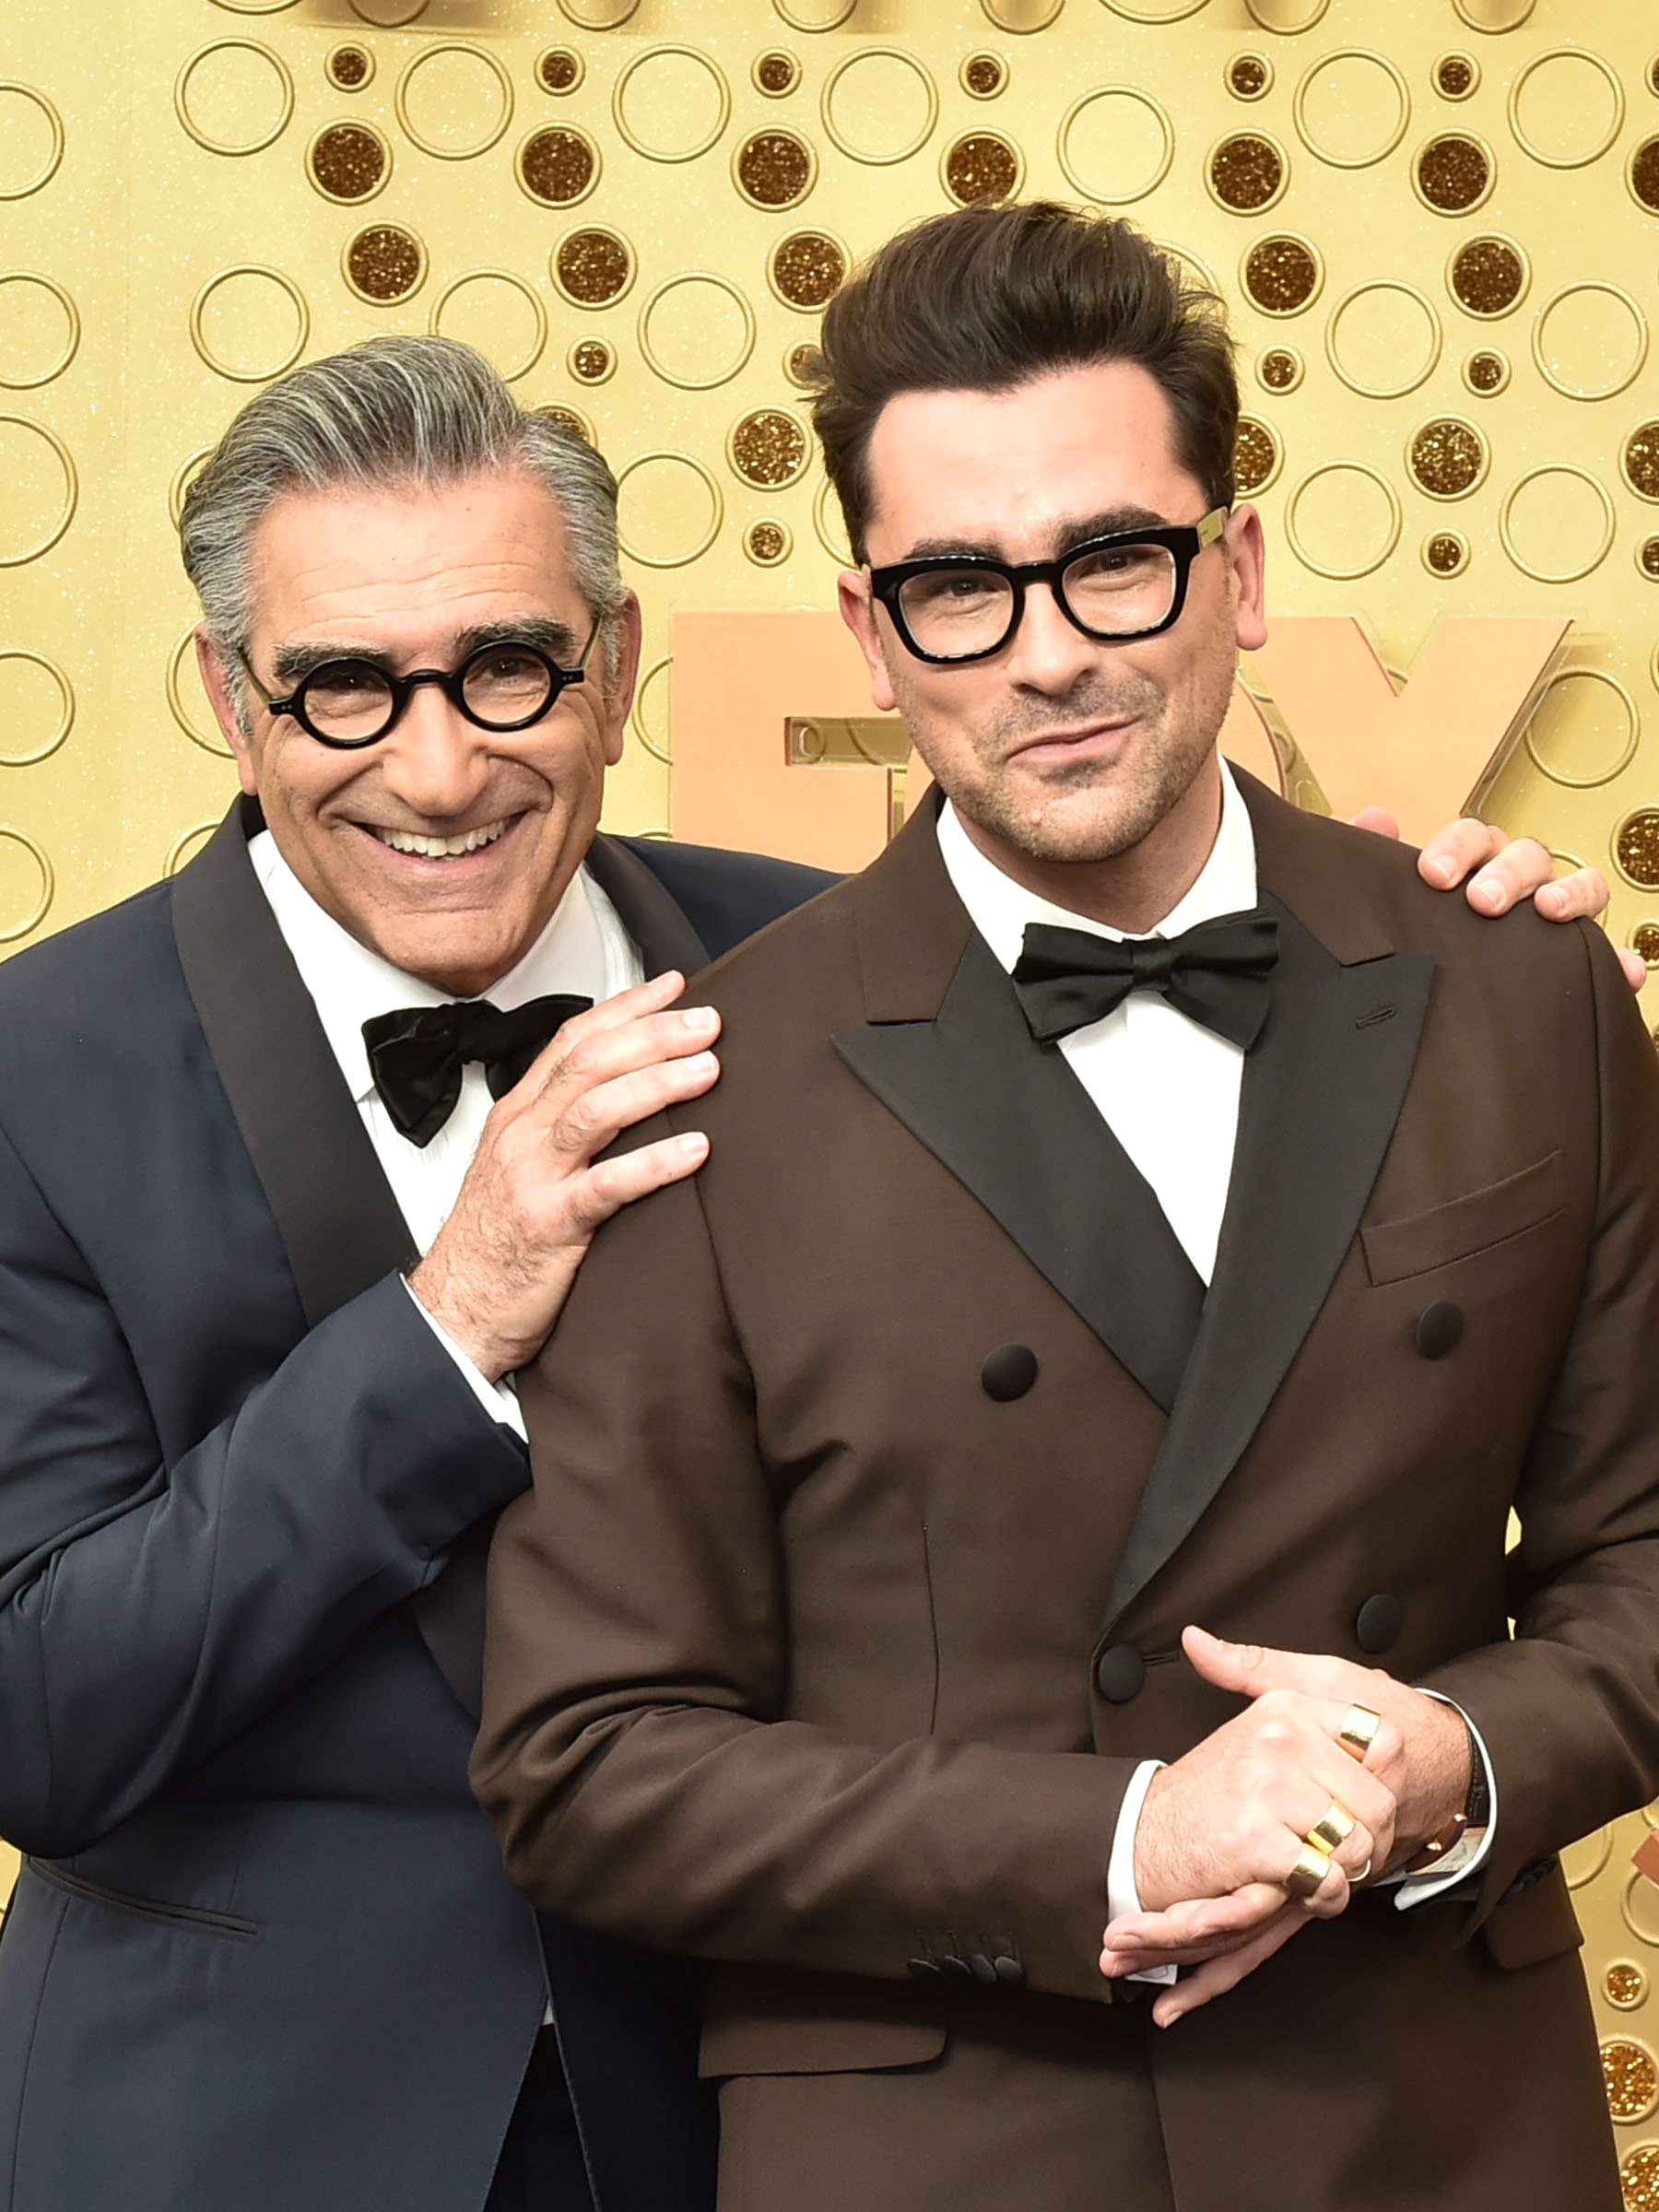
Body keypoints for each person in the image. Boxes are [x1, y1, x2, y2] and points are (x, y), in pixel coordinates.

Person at [473, 205, 1659, 2212]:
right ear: (869, 633)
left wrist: (1448, 1763)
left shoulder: (1522, 986)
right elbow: (589, 1765)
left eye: (1114, 557)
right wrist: (1120, 1844)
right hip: (947, 2148)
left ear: (1242, 569)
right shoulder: (704, 1088)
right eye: (957, 586)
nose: (1047, 651)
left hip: (1437, 2129)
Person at [0, 335, 837, 2212]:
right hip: (227, 2139)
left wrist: (1438, 977)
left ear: (613, 668)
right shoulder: (28, 1073)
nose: (440, 768)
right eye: (346, 690)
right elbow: (38, 1716)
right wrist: (454, 1318)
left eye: (508, 668)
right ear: (232, 699)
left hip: (754, 2113)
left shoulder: (824, 971)